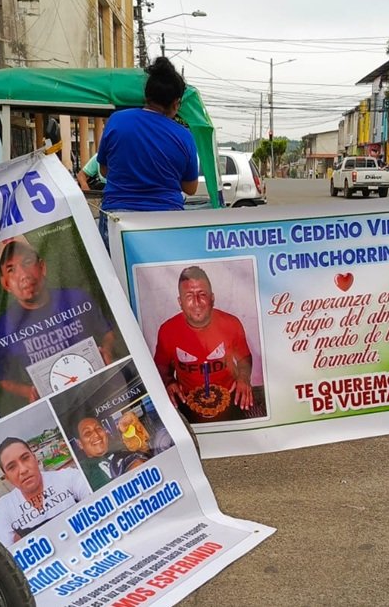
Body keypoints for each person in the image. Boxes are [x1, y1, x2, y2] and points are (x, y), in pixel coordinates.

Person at [0, 235, 118, 414]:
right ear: (5, 283)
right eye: (11, 269)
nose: (23, 275)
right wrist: (29, 391)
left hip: (101, 390)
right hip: (59, 409)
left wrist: (107, 349)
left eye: (27, 262)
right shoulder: (5, 326)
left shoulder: (76, 298)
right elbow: (5, 379)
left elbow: (108, 332)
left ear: (42, 267)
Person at [96, 57, 199, 251]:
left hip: (118, 219)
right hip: (165, 222)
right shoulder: (184, 137)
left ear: (147, 95)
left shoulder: (117, 121)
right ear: (176, 104)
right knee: (162, 281)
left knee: (115, 280)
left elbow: (104, 169)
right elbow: (191, 188)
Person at [153, 266, 259, 421]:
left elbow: (244, 358)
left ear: (212, 298)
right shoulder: (167, 330)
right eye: (189, 296)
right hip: (187, 401)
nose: (196, 302)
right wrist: (169, 381)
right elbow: (162, 366)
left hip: (230, 397)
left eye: (202, 294)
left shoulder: (231, 323)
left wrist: (243, 378)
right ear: (180, 302)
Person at [0, 437, 91, 546]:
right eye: (12, 467)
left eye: (25, 458)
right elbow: (5, 553)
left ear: (35, 459)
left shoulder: (68, 477)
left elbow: (96, 500)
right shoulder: (4, 507)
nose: (23, 470)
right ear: (7, 478)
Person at [74, 416, 149, 489]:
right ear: (80, 444)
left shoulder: (124, 446)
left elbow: (146, 452)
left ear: (105, 431)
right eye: (87, 433)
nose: (96, 434)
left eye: (98, 428)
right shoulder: (83, 471)